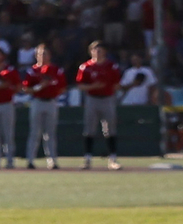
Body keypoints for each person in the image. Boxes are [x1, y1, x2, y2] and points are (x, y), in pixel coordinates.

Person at [76, 39, 125, 169]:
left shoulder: (111, 66)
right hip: (92, 99)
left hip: (107, 98)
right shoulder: (85, 67)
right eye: (95, 50)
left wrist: (109, 89)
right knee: (89, 129)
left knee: (110, 129)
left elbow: (117, 84)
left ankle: (113, 159)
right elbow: (80, 85)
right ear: (91, 52)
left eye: (100, 50)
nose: (97, 53)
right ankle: (87, 159)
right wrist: (93, 86)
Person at [21, 45, 67, 170]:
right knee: (35, 132)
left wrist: (52, 90)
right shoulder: (32, 71)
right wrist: (39, 87)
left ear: (49, 56)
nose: (42, 57)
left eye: (45, 54)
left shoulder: (56, 70)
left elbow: (62, 87)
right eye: (40, 54)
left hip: (51, 101)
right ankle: (30, 160)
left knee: (50, 133)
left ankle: (52, 160)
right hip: (37, 101)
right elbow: (26, 88)